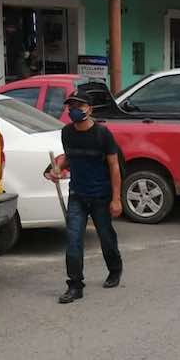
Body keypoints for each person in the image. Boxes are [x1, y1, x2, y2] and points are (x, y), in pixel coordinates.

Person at [44, 90, 123, 303]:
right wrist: (57, 169)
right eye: (71, 107)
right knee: (73, 240)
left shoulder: (102, 134)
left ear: (90, 109)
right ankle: (75, 285)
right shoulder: (67, 133)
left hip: (101, 196)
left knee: (106, 237)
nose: (74, 110)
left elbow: (114, 166)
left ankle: (115, 269)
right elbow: (69, 157)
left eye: (79, 106)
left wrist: (116, 199)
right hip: (77, 195)